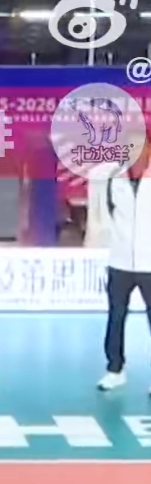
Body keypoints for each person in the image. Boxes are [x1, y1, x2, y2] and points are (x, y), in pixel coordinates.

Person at [96, 150, 151, 393]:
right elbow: (111, 211)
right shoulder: (114, 178)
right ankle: (115, 370)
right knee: (116, 317)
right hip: (120, 263)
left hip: (149, 264)